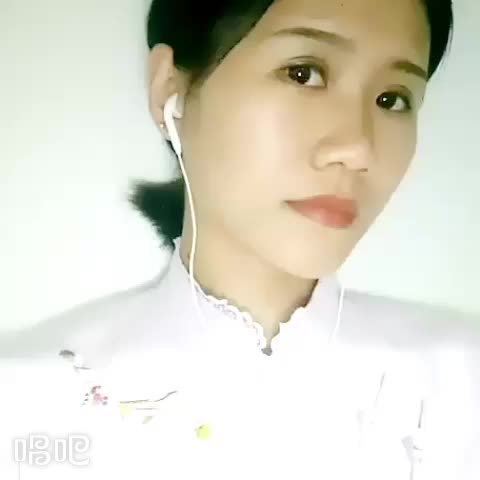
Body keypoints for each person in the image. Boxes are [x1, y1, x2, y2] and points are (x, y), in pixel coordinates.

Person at [1, 0, 479, 479]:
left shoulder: (463, 383)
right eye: (303, 74)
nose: (357, 149)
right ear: (170, 91)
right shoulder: (24, 399)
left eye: (393, 99)